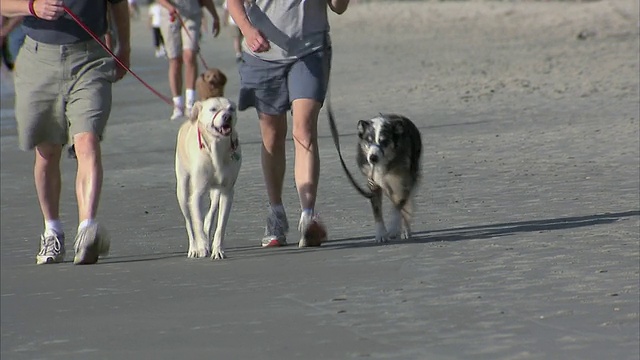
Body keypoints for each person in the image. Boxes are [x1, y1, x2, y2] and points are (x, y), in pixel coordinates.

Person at [0, 0, 130, 265]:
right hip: (38, 59)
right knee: (47, 151)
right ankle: (52, 230)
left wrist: (124, 48)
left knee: (88, 139)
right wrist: (33, 7)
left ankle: (87, 228)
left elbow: (118, 5)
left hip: (90, 59)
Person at [227, 0, 350, 248]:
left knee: (303, 129)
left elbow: (338, 7)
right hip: (262, 55)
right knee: (272, 135)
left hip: (310, 50)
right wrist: (247, 30)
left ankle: (307, 216)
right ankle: (276, 213)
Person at [156, 0, 220, 121]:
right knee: (175, 59)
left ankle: (190, 103)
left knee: (190, 55)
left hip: (192, 12)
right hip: (170, 14)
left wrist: (215, 16)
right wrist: (169, 6)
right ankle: (178, 104)